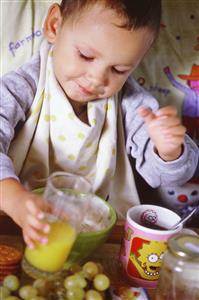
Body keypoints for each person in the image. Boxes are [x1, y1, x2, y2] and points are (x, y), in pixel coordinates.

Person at [0, 0, 198, 248]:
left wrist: (169, 152)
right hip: (18, 225)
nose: (97, 79)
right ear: (54, 26)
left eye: (119, 69)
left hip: (100, 235)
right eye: (85, 56)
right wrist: (15, 201)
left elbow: (168, 177)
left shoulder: (133, 102)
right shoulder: (21, 88)